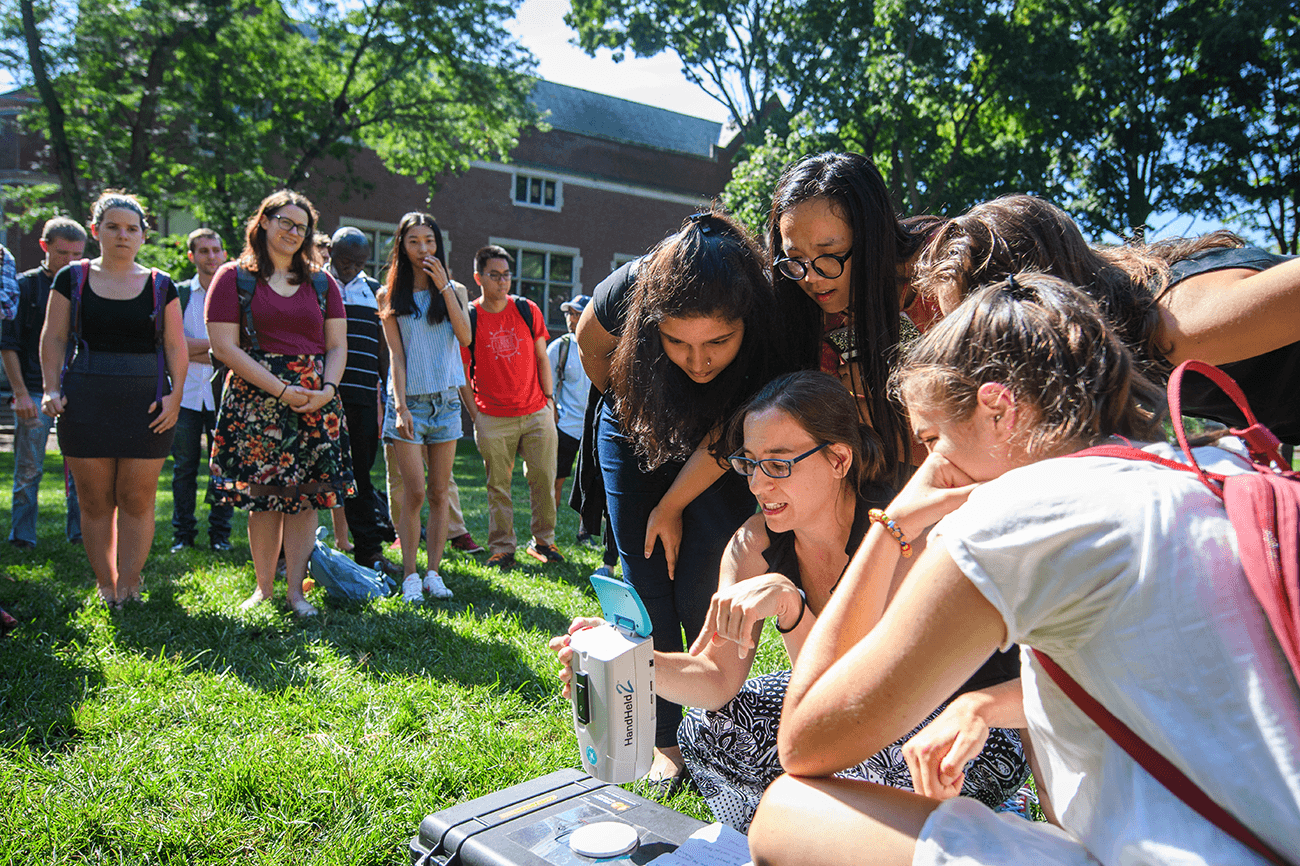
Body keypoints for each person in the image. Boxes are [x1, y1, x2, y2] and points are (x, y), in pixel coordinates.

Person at [747, 273, 1300, 866]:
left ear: (997, 407)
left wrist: (893, 524)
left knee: (790, 811)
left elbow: (805, 740)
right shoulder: (1216, 465)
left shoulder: (1020, 515)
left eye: (934, 440)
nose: (933, 468)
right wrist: (985, 704)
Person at [551, 371, 1027, 829]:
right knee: (706, 732)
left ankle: (847, 832)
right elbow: (716, 678)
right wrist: (630, 663)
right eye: (749, 463)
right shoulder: (751, 546)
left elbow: (847, 692)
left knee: (859, 763)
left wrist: (791, 609)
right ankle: (772, 840)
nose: (759, 485)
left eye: (778, 464)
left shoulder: (903, 533)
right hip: (853, 720)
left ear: (839, 460)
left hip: (966, 726)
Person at [575, 210, 790, 787]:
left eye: (718, 342)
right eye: (677, 342)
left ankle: (711, 721)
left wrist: (671, 506)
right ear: (653, 323)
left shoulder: (769, 309)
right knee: (645, 575)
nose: (699, 361)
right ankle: (664, 737)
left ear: (745, 320)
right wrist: (643, 397)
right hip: (636, 425)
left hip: (722, 439)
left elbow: (727, 438)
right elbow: (590, 345)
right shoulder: (631, 285)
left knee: (704, 576)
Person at [915, 193, 1300, 446]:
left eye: (979, 331)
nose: (973, 355)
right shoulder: (1130, 329)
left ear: (1037, 299)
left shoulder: (1182, 326)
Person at [206, 190, 353, 617]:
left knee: (307, 501)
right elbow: (224, 347)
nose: (293, 232)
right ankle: (264, 590)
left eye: (301, 227)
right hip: (257, 400)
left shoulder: (322, 282)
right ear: (265, 222)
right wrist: (281, 390)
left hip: (315, 400)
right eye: (286, 222)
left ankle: (296, 593)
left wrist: (327, 389)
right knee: (265, 499)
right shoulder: (233, 277)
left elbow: (337, 345)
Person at [39, 191, 187, 606]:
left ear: (143, 236)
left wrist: (175, 397)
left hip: (147, 404)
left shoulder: (161, 285)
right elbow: (52, 336)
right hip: (85, 400)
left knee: (137, 498)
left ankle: (131, 582)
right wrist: (52, 388)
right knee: (95, 499)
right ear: (95, 231)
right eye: (113, 227)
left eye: (132, 229)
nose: (123, 235)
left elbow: (176, 347)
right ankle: (106, 584)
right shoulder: (71, 278)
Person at [768, 152, 944, 479]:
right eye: (795, 258)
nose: (811, 278)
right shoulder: (805, 316)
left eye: (829, 255)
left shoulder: (945, 272)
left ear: (870, 238)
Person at [379, 213, 472, 602]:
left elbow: (465, 338)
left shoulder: (456, 290)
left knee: (438, 493)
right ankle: (410, 575)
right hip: (409, 404)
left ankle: (434, 573)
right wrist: (401, 408)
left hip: (447, 402)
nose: (423, 250)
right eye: (414, 242)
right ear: (401, 245)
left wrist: (444, 287)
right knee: (413, 493)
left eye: (430, 241)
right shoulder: (390, 297)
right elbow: (396, 358)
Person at [461, 244, 563, 569]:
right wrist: (476, 415)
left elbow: (542, 356)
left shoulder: (526, 309)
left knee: (545, 480)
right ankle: (503, 548)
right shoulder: (470, 316)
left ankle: (544, 542)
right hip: (492, 416)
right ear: (478, 277)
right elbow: (461, 374)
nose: (502, 282)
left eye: (506, 275)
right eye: (494, 275)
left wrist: (549, 400)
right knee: (498, 487)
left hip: (536, 411)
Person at [2, 217, 84, 550]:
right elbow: (8, 345)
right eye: (62, 253)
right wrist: (20, 394)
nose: (69, 261)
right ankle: (22, 537)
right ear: (44, 247)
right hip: (33, 389)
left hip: (77, 389)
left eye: (77, 255)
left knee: (81, 469)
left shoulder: (86, 286)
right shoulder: (22, 286)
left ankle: (80, 534)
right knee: (29, 469)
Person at [328, 226, 400, 576]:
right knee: (314, 474)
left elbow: (385, 351)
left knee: (359, 474)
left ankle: (368, 550)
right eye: (344, 261)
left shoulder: (374, 292)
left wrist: (386, 394)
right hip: (321, 395)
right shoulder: (316, 286)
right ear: (330, 252)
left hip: (362, 396)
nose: (350, 269)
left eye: (358, 263)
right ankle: (289, 553)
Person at [169, 228, 234, 553]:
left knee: (223, 464)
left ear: (224, 253)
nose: (211, 256)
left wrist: (194, 348)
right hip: (185, 392)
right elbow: (171, 346)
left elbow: (237, 346)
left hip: (224, 392)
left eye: (215, 250)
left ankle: (220, 535)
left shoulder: (233, 293)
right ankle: (182, 534)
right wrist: (218, 348)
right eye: (203, 251)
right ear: (192, 256)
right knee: (184, 467)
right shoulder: (179, 293)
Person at [547, 294, 593, 527]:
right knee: (556, 480)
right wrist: (552, 411)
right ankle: (549, 533)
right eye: (569, 314)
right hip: (565, 427)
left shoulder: (599, 345)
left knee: (590, 485)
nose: (571, 319)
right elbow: (545, 385)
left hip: (592, 429)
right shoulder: (560, 347)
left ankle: (585, 532)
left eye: (576, 313)